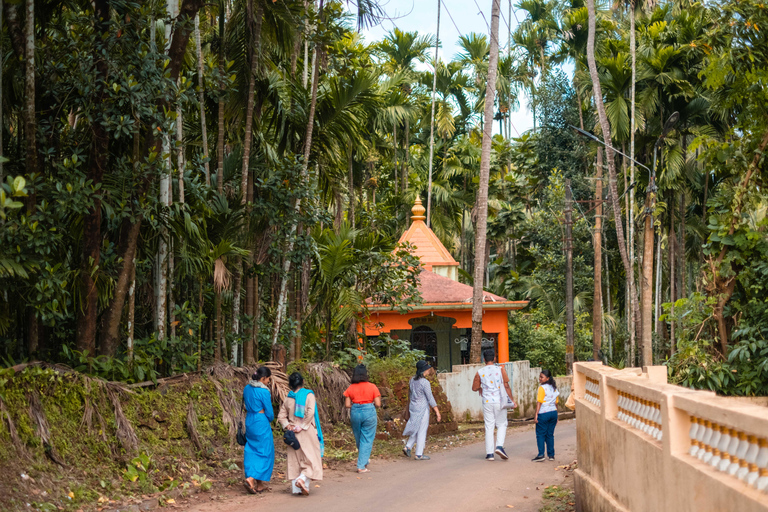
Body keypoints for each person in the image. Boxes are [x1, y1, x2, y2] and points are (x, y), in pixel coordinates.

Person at [278, 372, 324, 495]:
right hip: (306, 431)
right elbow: (310, 413)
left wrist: (288, 426)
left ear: (290, 384)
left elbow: (281, 416)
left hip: (292, 433)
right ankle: (302, 479)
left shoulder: (289, 398)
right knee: (311, 458)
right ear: (302, 381)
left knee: (295, 460)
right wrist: (302, 426)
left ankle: (296, 489)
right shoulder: (309, 395)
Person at [472, 348, 516, 461]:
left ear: (484, 359)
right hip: (499, 401)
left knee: (489, 426)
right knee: (502, 424)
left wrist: (481, 388)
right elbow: (506, 386)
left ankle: (490, 454)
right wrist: (511, 401)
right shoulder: (500, 370)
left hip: (487, 402)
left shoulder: (480, 372)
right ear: (495, 358)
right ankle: (499, 446)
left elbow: (474, 388)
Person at [343, 364, 382, 473]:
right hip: (369, 411)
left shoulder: (351, 387)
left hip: (355, 411)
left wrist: (356, 406)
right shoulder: (372, 386)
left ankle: (364, 459)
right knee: (367, 438)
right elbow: (378, 404)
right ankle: (361, 466)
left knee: (359, 437)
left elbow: (347, 405)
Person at [242, 366, 275, 494]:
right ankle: (251, 478)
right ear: (263, 378)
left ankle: (259, 485)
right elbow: (270, 413)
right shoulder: (264, 391)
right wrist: (268, 419)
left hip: (249, 420)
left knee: (251, 449)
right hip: (261, 421)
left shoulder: (247, 388)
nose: (268, 382)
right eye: (268, 379)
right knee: (265, 452)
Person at [402, 360, 441, 460]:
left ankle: (408, 447)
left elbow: (410, 395)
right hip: (422, 408)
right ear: (424, 370)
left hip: (413, 407)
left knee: (416, 427)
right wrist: (437, 411)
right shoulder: (425, 382)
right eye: (427, 369)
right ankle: (419, 454)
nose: (429, 370)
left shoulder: (412, 380)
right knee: (422, 430)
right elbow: (430, 398)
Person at [532, 369, 560, 462]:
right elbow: (556, 403)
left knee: (540, 434)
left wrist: (536, 415)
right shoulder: (554, 387)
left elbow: (539, 402)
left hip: (543, 413)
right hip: (553, 413)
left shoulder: (542, 388)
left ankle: (541, 454)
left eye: (542, 377)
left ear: (547, 378)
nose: (540, 379)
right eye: (540, 376)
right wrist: (557, 415)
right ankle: (551, 455)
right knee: (550, 434)